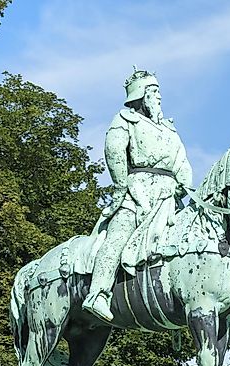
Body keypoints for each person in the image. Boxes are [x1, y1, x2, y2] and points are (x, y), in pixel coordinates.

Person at [82, 68, 192, 320]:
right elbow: (115, 154)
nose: (159, 97)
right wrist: (123, 187)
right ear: (141, 95)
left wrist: (184, 184)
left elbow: (182, 161)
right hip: (137, 191)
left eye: (159, 92)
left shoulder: (169, 129)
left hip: (169, 196)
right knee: (118, 235)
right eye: (154, 92)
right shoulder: (124, 120)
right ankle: (98, 293)